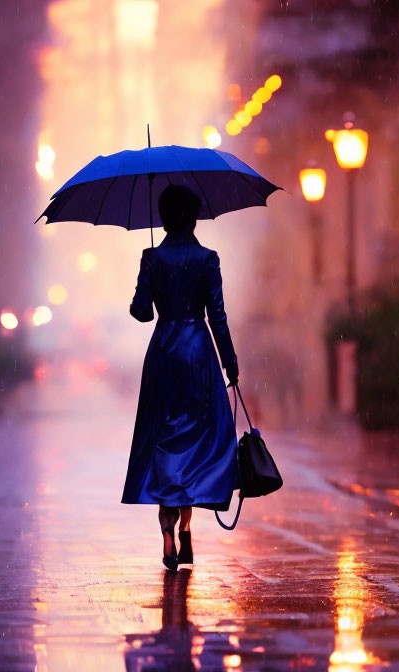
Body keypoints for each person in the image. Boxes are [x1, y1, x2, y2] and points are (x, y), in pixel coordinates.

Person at [121, 184, 240, 570]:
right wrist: (230, 361)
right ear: (193, 218)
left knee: (164, 439)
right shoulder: (208, 259)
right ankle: (187, 524)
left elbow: (142, 313)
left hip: (164, 354)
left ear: (163, 219)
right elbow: (217, 316)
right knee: (196, 441)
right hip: (199, 354)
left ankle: (167, 528)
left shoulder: (151, 257)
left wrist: (148, 284)